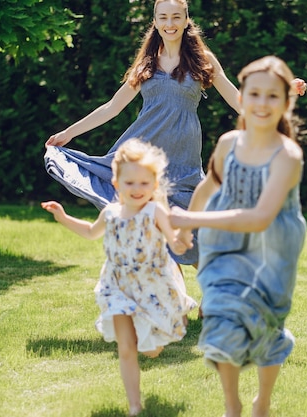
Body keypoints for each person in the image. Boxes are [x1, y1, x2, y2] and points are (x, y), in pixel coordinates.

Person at [44, 0, 307, 266]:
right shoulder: (145, 64)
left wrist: (281, 91)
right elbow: (112, 107)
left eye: (175, 17)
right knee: (155, 237)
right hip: (144, 156)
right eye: (163, 18)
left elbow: (238, 100)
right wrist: (69, 132)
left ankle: (211, 295)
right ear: (155, 22)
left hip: (183, 159)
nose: (169, 24)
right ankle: (174, 304)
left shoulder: (203, 60)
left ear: (185, 20)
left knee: (196, 232)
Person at [169, 56, 307, 417]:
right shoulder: (230, 143)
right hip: (224, 243)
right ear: (241, 97)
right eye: (254, 94)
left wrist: (190, 217)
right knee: (219, 318)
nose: (262, 103)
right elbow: (209, 185)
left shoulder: (288, 155)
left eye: (272, 96)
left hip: (273, 248)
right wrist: (184, 229)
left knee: (263, 323)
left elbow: (261, 218)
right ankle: (233, 405)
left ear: (286, 102)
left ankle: (262, 402)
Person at [42, 139, 197, 417]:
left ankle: (152, 343)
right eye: (130, 183)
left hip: (152, 285)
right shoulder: (111, 212)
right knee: (126, 348)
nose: (136, 190)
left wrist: (183, 236)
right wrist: (63, 217)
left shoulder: (155, 211)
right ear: (116, 183)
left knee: (151, 350)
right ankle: (134, 406)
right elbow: (91, 231)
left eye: (143, 183)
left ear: (153, 184)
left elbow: (175, 245)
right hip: (118, 286)